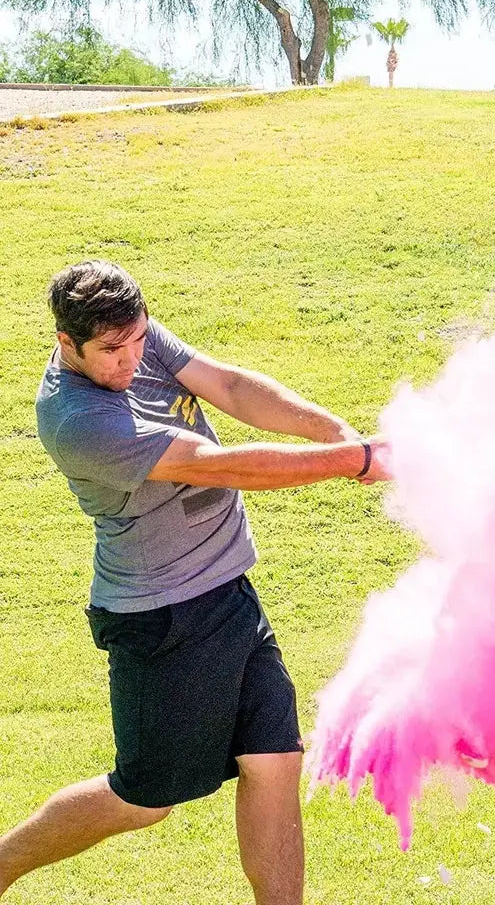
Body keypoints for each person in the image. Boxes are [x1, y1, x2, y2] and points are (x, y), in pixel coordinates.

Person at [0, 260, 389, 905]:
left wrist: (336, 432)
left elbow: (231, 387)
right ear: (66, 344)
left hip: (230, 594)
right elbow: (220, 466)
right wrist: (357, 461)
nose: (129, 361)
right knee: (145, 801)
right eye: (110, 352)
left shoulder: (133, 335)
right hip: (162, 620)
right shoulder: (80, 422)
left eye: (136, 341)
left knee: (274, 761)